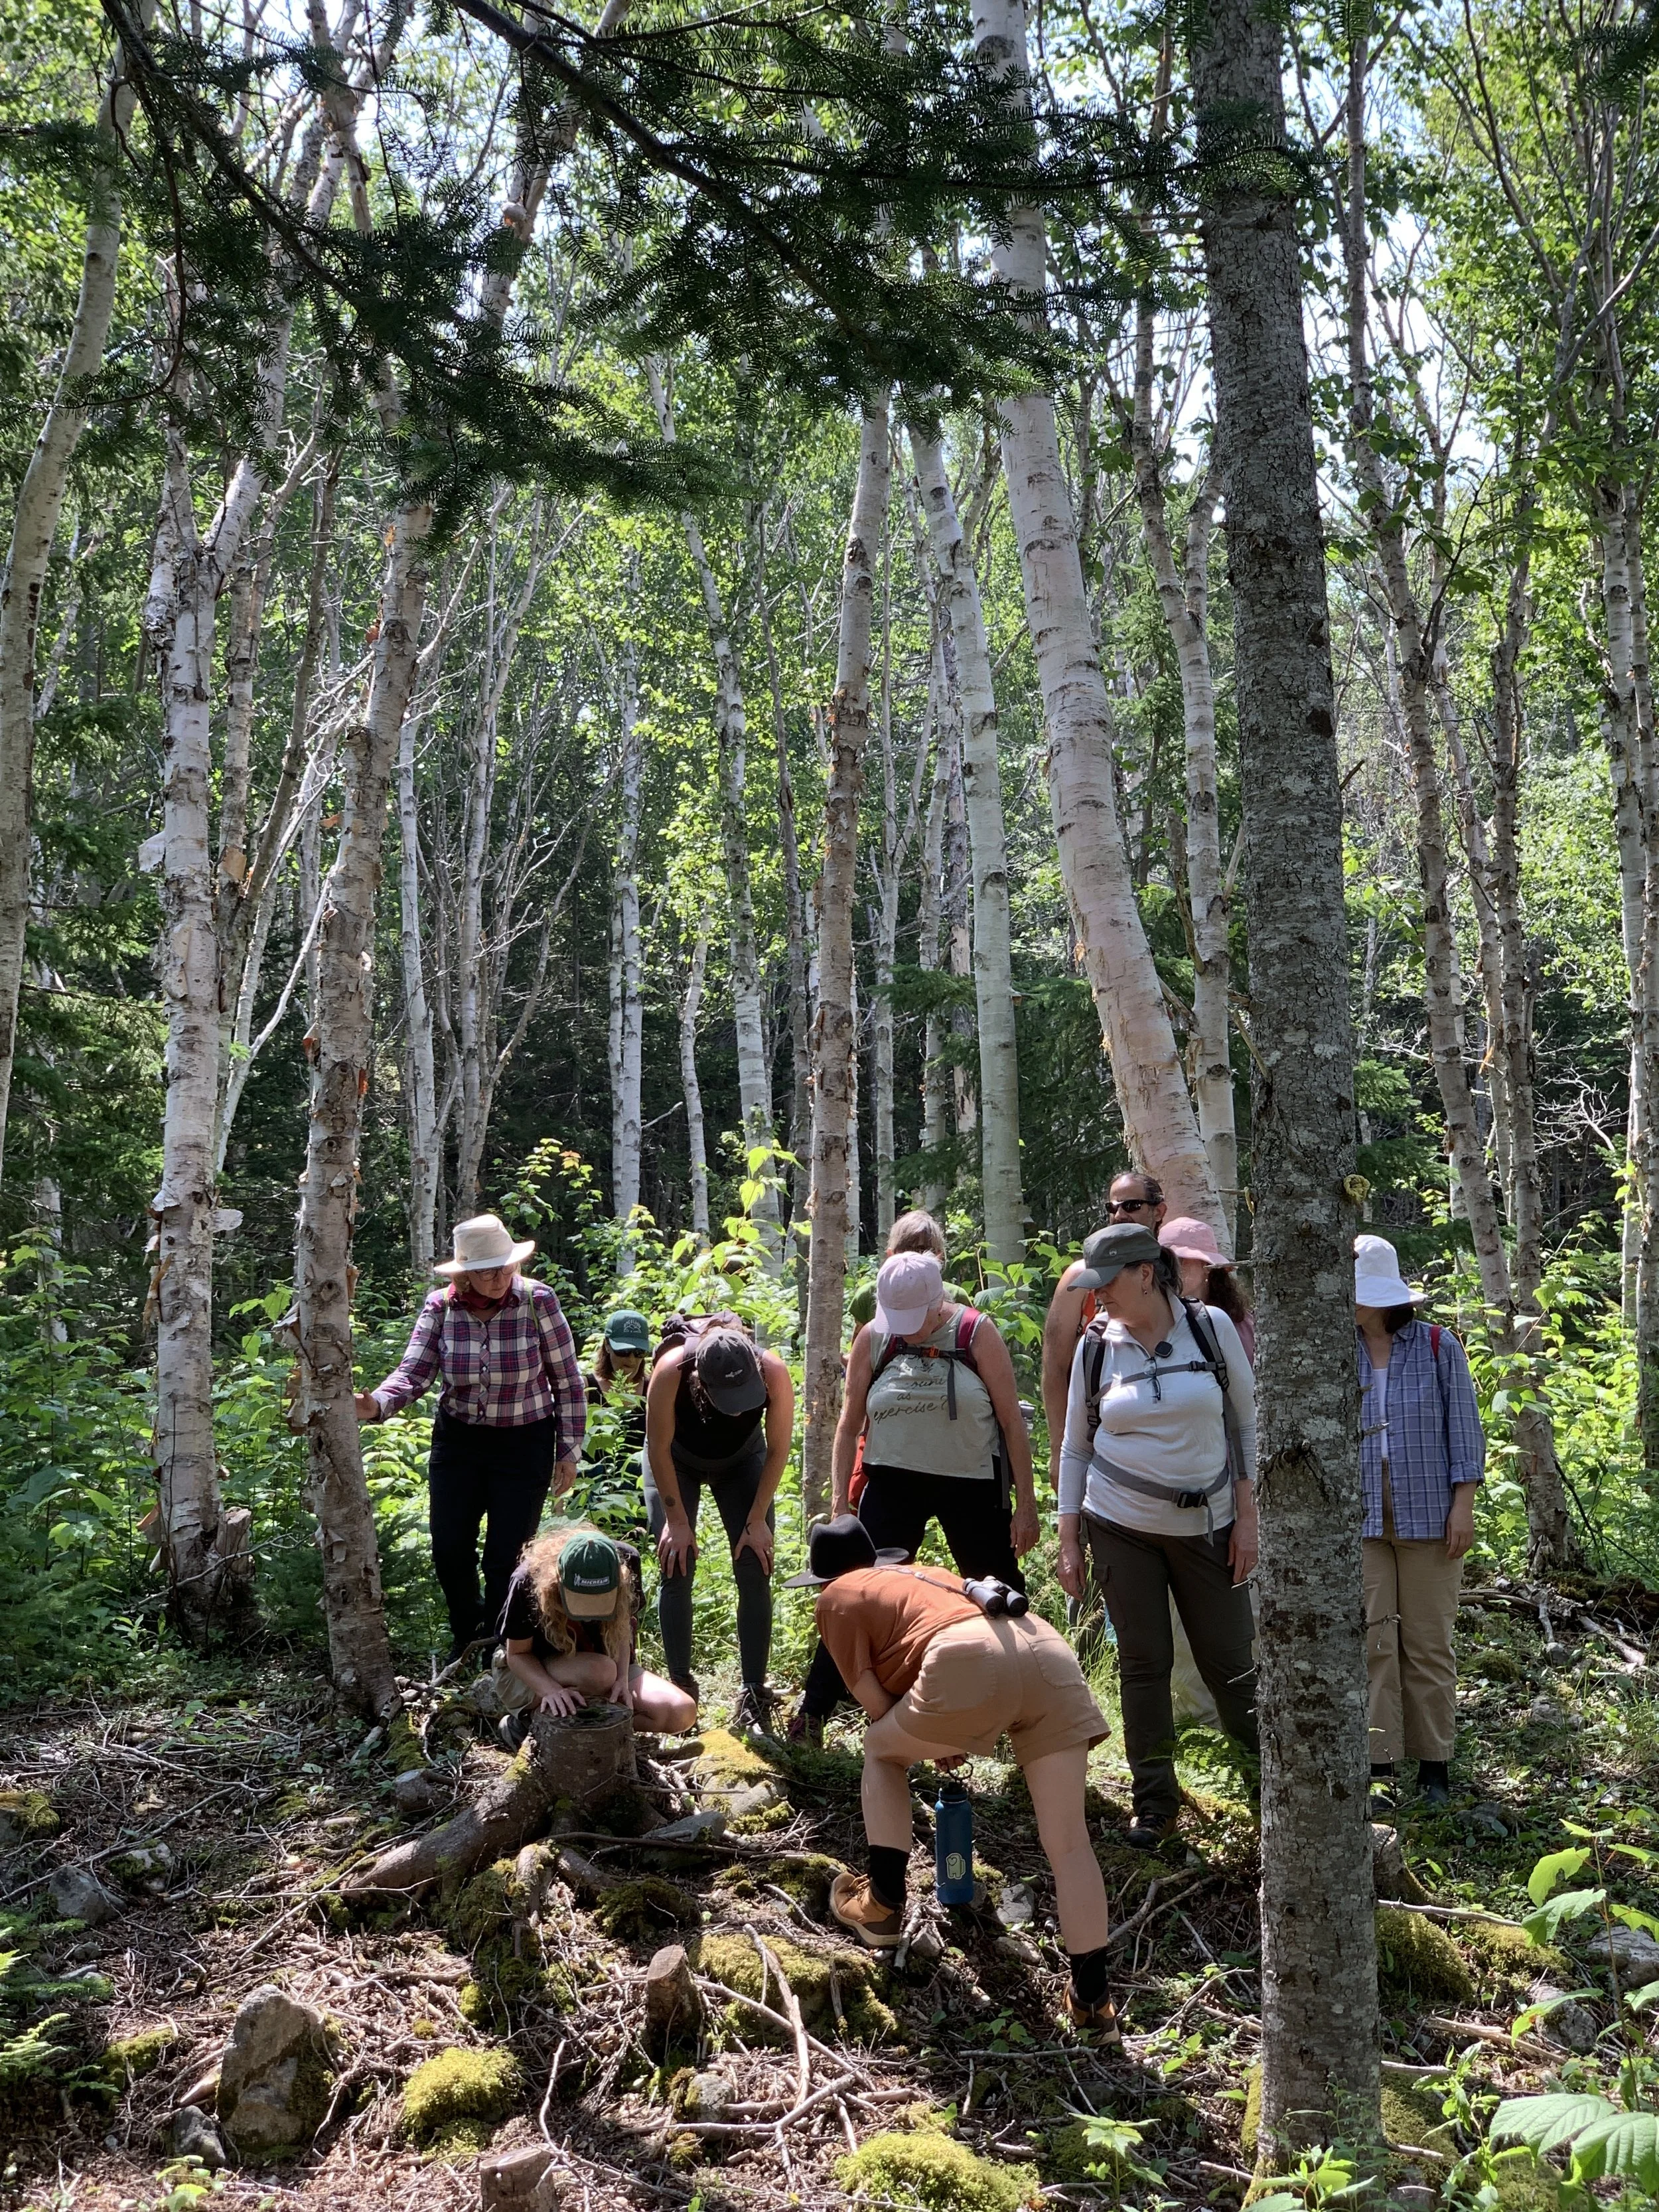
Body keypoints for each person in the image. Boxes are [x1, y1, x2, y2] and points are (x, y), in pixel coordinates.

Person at [789, 1516, 1118, 2039]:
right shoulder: (923, 1574)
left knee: (879, 1751)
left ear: (824, 1578)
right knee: (1070, 1841)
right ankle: (1093, 2003)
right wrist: (942, 1729)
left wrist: (935, 1732)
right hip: (1044, 1647)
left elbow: (879, 1710)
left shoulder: (836, 1596)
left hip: (966, 1660)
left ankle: (881, 1906)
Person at [791, 1218, 1035, 1745]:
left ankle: (1033, 1718)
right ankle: (813, 1712)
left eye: (914, 1318)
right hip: (892, 1482)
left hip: (971, 1484)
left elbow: (1013, 1422)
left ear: (938, 1299)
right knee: (854, 1590)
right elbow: (849, 1420)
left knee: (1003, 1592)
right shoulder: (876, 1337)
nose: (904, 1328)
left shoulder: (976, 1331)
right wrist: (840, 1502)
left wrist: (1027, 1504)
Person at [1056, 1221, 1259, 1850]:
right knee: (1143, 1663)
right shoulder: (1097, 1345)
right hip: (1119, 1525)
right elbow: (1074, 1447)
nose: (1099, 1295)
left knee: (1232, 1662)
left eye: (1108, 1282)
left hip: (1209, 1524)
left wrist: (1248, 1517)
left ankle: (1266, 1788)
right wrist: (1069, 1537)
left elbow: (1247, 1426)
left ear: (1146, 1273)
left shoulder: (1210, 1327)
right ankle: (1154, 1805)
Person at [358, 1213, 585, 1660]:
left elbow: (568, 1380)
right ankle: (467, 1635)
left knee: (506, 1557)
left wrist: (568, 1450)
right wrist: (375, 1404)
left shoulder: (538, 1301)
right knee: (449, 1548)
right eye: (486, 1269)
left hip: (525, 1441)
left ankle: (503, 1650)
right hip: (459, 1441)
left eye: (506, 1266)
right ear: (464, 1273)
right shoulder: (441, 1307)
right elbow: (414, 1373)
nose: (499, 1277)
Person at [1356, 1234, 1484, 1810]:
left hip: (1431, 1512)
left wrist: (1465, 1503)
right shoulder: (1336, 1348)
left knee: (1429, 1643)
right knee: (1373, 1639)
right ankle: (1380, 1767)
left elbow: (1465, 1428)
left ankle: (1434, 1768)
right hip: (1360, 1518)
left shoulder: (1437, 1346)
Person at [643, 1314, 795, 1733]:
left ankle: (752, 1691)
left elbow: (779, 1448)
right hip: (677, 1459)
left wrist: (757, 1519)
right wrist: (676, 1520)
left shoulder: (773, 1370)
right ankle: (679, 1687)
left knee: (754, 1564)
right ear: (701, 1381)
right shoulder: (672, 1369)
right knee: (677, 1563)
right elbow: (657, 1447)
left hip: (743, 1461)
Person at [1040, 1172, 1169, 1648]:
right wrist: (1059, 1450)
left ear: (1160, 1211)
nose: (1119, 1216)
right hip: (1094, 1445)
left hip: (1166, 1457)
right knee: (1093, 1564)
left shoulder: (1174, 1271)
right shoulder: (1079, 1279)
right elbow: (1054, 1368)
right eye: (1112, 1208)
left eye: (1131, 1206)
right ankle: (1091, 1668)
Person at [496, 1524, 697, 1741]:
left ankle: (599, 1733)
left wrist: (622, 1679)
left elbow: (623, 1628)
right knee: (599, 1672)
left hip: (605, 1667)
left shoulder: (625, 1561)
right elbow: (516, 1655)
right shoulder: (528, 1578)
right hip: (531, 1672)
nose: (590, 1615)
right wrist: (551, 1690)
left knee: (680, 1712)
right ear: (557, 1580)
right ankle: (528, 1726)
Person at [1158, 1218, 1255, 1367]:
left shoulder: (1240, 1326)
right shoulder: (1149, 1323)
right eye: (1163, 1261)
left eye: (1179, 1260)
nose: (1169, 1269)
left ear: (1205, 1266)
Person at [585, 1310, 652, 1505]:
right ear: (607, 1345)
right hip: (595, 1497)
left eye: (639, 1353)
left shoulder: (653, 1389)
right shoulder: (588, 1389)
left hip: (642, 1497)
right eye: (623, 1351)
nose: (631, 1360)